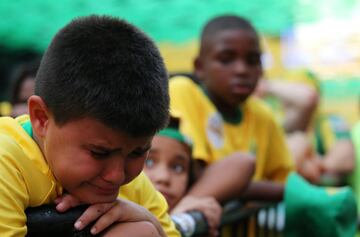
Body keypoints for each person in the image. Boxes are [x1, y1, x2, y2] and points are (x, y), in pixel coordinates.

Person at [0, 15, 180, 237]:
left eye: (138, 152)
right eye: (99, 152)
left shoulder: (125, 176)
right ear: (41, 119)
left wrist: (149, 220)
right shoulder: (5, 162)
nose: (116, 176)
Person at [169, 15, 294, 213]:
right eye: (226, 59)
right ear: (200, 67)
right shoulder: (183, 92)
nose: (242, 70)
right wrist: (292, 192)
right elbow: (200, 177)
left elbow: (284, 179)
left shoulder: (263, 114)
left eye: (253, 60)